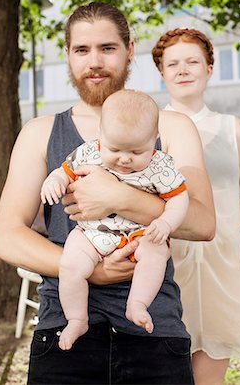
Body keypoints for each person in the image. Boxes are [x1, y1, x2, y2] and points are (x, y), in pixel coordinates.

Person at [0, 2, 215, 385]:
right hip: (63, 329)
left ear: (130, 49)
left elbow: (202, 223)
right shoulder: (40, 132)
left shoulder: (173, 126)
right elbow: (6, 238)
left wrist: (119, 197)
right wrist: (92, 271)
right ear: (67, 55)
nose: (94, 61)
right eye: (82, 50)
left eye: (108, 48)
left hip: (154, 330)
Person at [152, 28, 240, 385]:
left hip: (222, 265)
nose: (182, 70)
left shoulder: (233, 128)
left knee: (210, 375)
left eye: (192, 62)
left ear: (209, 68)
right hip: (166, 262)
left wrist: (225, 228)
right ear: (162, 72)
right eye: (173, 64)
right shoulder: (149, 127)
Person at [41, 89, 189, 350]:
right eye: (115, 148)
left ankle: (137, 304)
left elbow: (179, 199)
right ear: (101, 134)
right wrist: (54, 181)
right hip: (92, 233)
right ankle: (76, 318)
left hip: (139, 234)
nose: (124, 158)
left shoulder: (160, 165)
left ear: (154, 139)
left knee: (156, 252)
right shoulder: (89, 152)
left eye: (136, 151)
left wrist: (166, 223)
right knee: (71, 264)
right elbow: (64, 172)